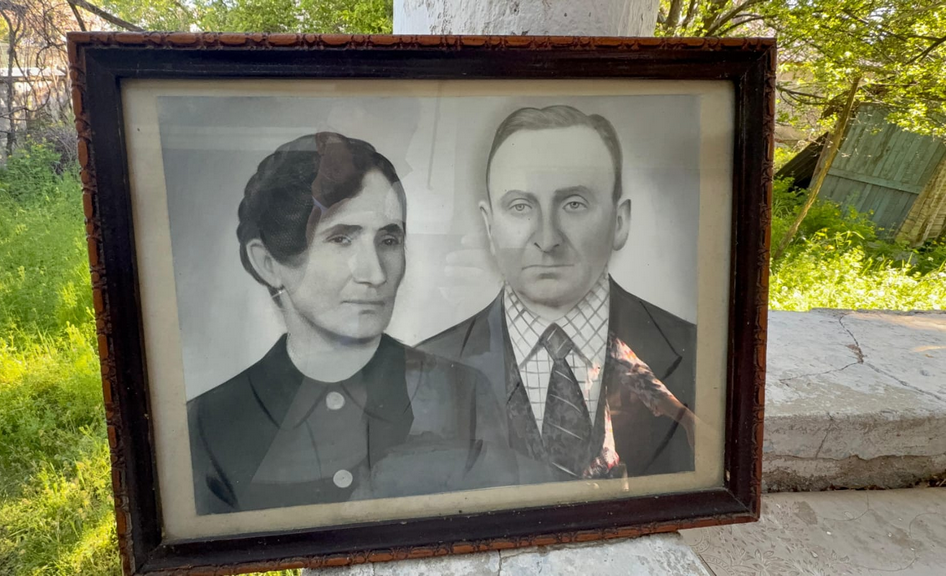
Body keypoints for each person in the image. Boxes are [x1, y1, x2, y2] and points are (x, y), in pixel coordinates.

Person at [188, 132, 512, 515]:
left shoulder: (462, 392)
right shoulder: (207, 423)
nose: (375, 274)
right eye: (341, 239)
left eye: (389, 240)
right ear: (268, 263)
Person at [420, 105, 699, 483]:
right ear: (489, 226)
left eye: (574, 204)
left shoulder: (698, 354)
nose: (547, 238)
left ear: (619, 221)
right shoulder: (426, 369)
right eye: (520, 206)